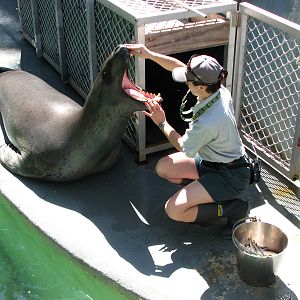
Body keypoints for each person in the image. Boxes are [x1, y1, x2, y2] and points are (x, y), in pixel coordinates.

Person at [125, 44, 250, 238]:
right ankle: (202, 198)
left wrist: (162, 122)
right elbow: (177, 66)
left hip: (230, 176)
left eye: (188, 82)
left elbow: (184, 147)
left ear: (200, 87)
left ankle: (232, 209)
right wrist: (149, 55)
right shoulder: (217, 88)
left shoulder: (210, 120)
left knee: (174, 210)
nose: (185, 83)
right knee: (164, 167)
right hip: (211, 161)